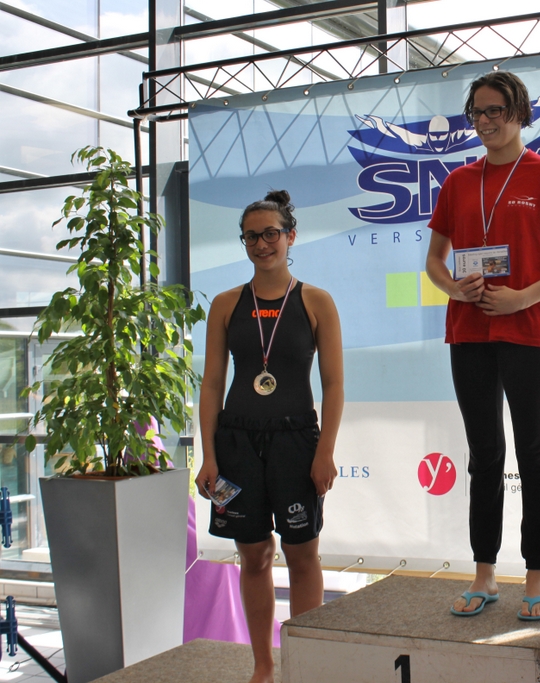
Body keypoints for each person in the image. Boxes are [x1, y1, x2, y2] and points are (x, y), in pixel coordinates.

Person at [425, 71, 540, 621]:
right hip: (468, 332)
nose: (485, 121)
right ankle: (484, 574)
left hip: (527, 330)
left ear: (519, 113)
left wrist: (522, 298)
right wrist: (454, 288)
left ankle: (536, 576)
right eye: (477, 111)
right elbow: (434, 261)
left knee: (532, 452)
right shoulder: (457, 182)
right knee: (484, 455)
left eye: (495, 110)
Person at [196, 190, 343, 683]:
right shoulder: (225, 304)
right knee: (254, 555)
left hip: (296, 441)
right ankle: (263, 665)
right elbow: (212, 385)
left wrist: (325, 451)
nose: (262, 244)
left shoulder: (316, 301)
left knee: (302, 555)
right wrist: (209, 455)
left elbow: (334, 384)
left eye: (271, 234)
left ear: (290, 236)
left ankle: (304, 667)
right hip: (237, 441)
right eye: (251, 236)